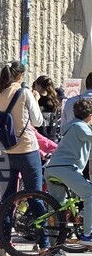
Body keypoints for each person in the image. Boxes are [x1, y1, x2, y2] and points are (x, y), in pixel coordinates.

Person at [0, 61, 48, 253]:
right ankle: (44, 243)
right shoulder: (24, 93)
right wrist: (36, 100)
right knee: (35, 196)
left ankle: (4, 244)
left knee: (7, 200)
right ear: (20, 76)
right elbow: (38, 121)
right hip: (27, 150)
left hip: (5, 152)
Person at [45, 98, 92, 246]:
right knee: (90, 195)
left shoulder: (71, 126)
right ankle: (87, 234)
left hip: (53, 168)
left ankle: (54, 245)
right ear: (90, 116)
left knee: (55, 207)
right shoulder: (81, 127)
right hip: (66, 168)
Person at [33, 75, 62, 139]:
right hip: (53, 136)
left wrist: (36, 101)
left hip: (39, 136)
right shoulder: (54, 99)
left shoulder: (36, 100)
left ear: (39, 86)